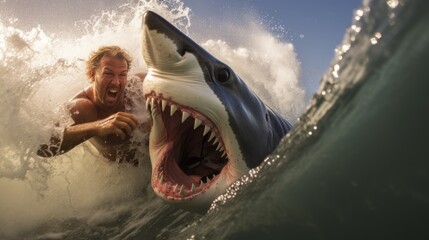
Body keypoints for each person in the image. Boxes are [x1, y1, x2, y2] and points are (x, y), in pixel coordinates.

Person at [37, 45, 150, 165]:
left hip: (159, 157)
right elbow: (41, 147)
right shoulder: (81, 108)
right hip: (131, 173)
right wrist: (96, 127)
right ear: (92, 75)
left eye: (122, 74)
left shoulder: (138, 86)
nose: (116, 82)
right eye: (108, 73)